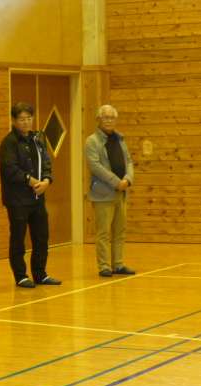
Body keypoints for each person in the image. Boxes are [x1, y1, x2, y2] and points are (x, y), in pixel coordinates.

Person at [0, 102, 61, 288]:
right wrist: (33, 182)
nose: (26, 122)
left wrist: (46, 181)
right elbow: (10, 170)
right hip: (17, 200)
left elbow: (47, 163)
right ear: (13, 120)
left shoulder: (36, 140)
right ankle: (21, 276)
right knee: (18, 240)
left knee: (41, 238)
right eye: (22, 119)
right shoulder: (9, 143)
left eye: (29, 118)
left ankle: (40, 274)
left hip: (37, 198)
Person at [85, 105, 135, 277]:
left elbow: (129, 161)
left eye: (112, 118)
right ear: (98, 120)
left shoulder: (120, 139)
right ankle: (104, 266)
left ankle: (118, 264)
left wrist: (127, 179)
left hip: (121, 192)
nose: (109, 121)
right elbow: (95, 166)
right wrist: (116, 182)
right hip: (103, 194)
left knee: (120, 230)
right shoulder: (92, 141)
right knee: (104, 233)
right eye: (105, 117)